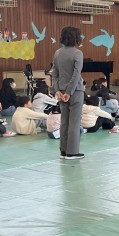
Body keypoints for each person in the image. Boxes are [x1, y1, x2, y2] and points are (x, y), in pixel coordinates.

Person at [50, 26, 85, 160]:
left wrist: (57, 90)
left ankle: (63, 151)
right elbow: (76, 75)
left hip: (61, 91)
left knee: (64, 121)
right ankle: (72, 152)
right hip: (75, 91)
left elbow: (54, 74)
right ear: (76, 38)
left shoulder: (57, 53)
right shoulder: (78, 53)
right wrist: (69, 92)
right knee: (74, 122)